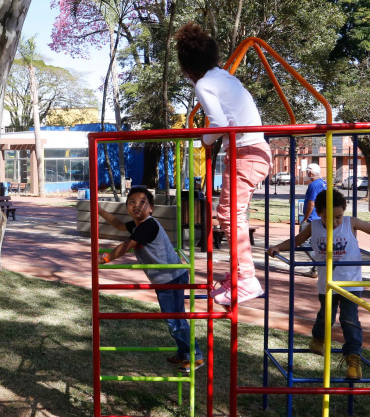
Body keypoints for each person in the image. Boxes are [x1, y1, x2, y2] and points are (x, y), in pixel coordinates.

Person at [175, 22, 271, 305]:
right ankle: (237, 275)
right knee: (232, 214)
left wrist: (204, 141)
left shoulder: (204, 84)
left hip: (245, 152)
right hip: (254, 151)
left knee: (229, 215)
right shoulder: (227, 78)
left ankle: (246, 280)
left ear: (187, 69)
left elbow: (217, 122)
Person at [267, 189, 370, 380]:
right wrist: (278, 247)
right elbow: (297, 241)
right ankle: (318, 339)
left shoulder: (351, 223)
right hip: (327, 282)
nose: (335, 222)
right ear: (319, 213)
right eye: (329, 217)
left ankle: (353, 360)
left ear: (344, 211)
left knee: (349, 320)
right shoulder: (315, 226)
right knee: (326, 315)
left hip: (350, 283)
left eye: (338, 216)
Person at [98, 186, 204, 372]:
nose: (136, 206)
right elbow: (118, 224)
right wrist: (99, 211)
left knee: (175, 321)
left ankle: (195, 356)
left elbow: (127, 246)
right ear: (127, 207)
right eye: (132, 202)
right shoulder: (138, 224)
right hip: (166, 278)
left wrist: (105, 258)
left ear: (151, 207)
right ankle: (184, 354)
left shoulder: (148, 225)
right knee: (175, 318)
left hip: (170, 278)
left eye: (142, 202)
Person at [301, 163, 327, 278]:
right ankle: (316, 268)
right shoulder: (324, 184)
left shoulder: (313, 185)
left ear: (311, 172)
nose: (307, 174)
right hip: (322, 217)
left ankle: (319, 263)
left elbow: (311, 203)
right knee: (316, 243)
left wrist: (305, 219)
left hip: (312, 218)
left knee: (302, 241)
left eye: (307, 172)